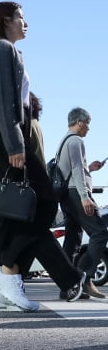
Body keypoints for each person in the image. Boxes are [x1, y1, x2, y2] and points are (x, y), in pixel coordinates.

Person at [0, 1, 85, 312]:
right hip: (6, 135)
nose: (26, 24)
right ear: (5, 20)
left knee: (18, 212)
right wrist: (15, 145)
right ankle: (6, 273)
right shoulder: (2, 49)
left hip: (8, 134)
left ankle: (2, 288)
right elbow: (3, 100)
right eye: (21, 18)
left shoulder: (11, 51)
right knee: (43, 203)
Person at [57, 107, 108, 299]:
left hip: (67, 196)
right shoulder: (76, 141)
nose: (88, 128)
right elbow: (77, 169)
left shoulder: (64, 141)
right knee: (100, 233)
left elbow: (73, 169)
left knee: (72, 240)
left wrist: (91, 170)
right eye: (87, 124)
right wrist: (85, 196)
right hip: (77, 195)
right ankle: (85, 279)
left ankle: (67, 286)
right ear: (79, 122)